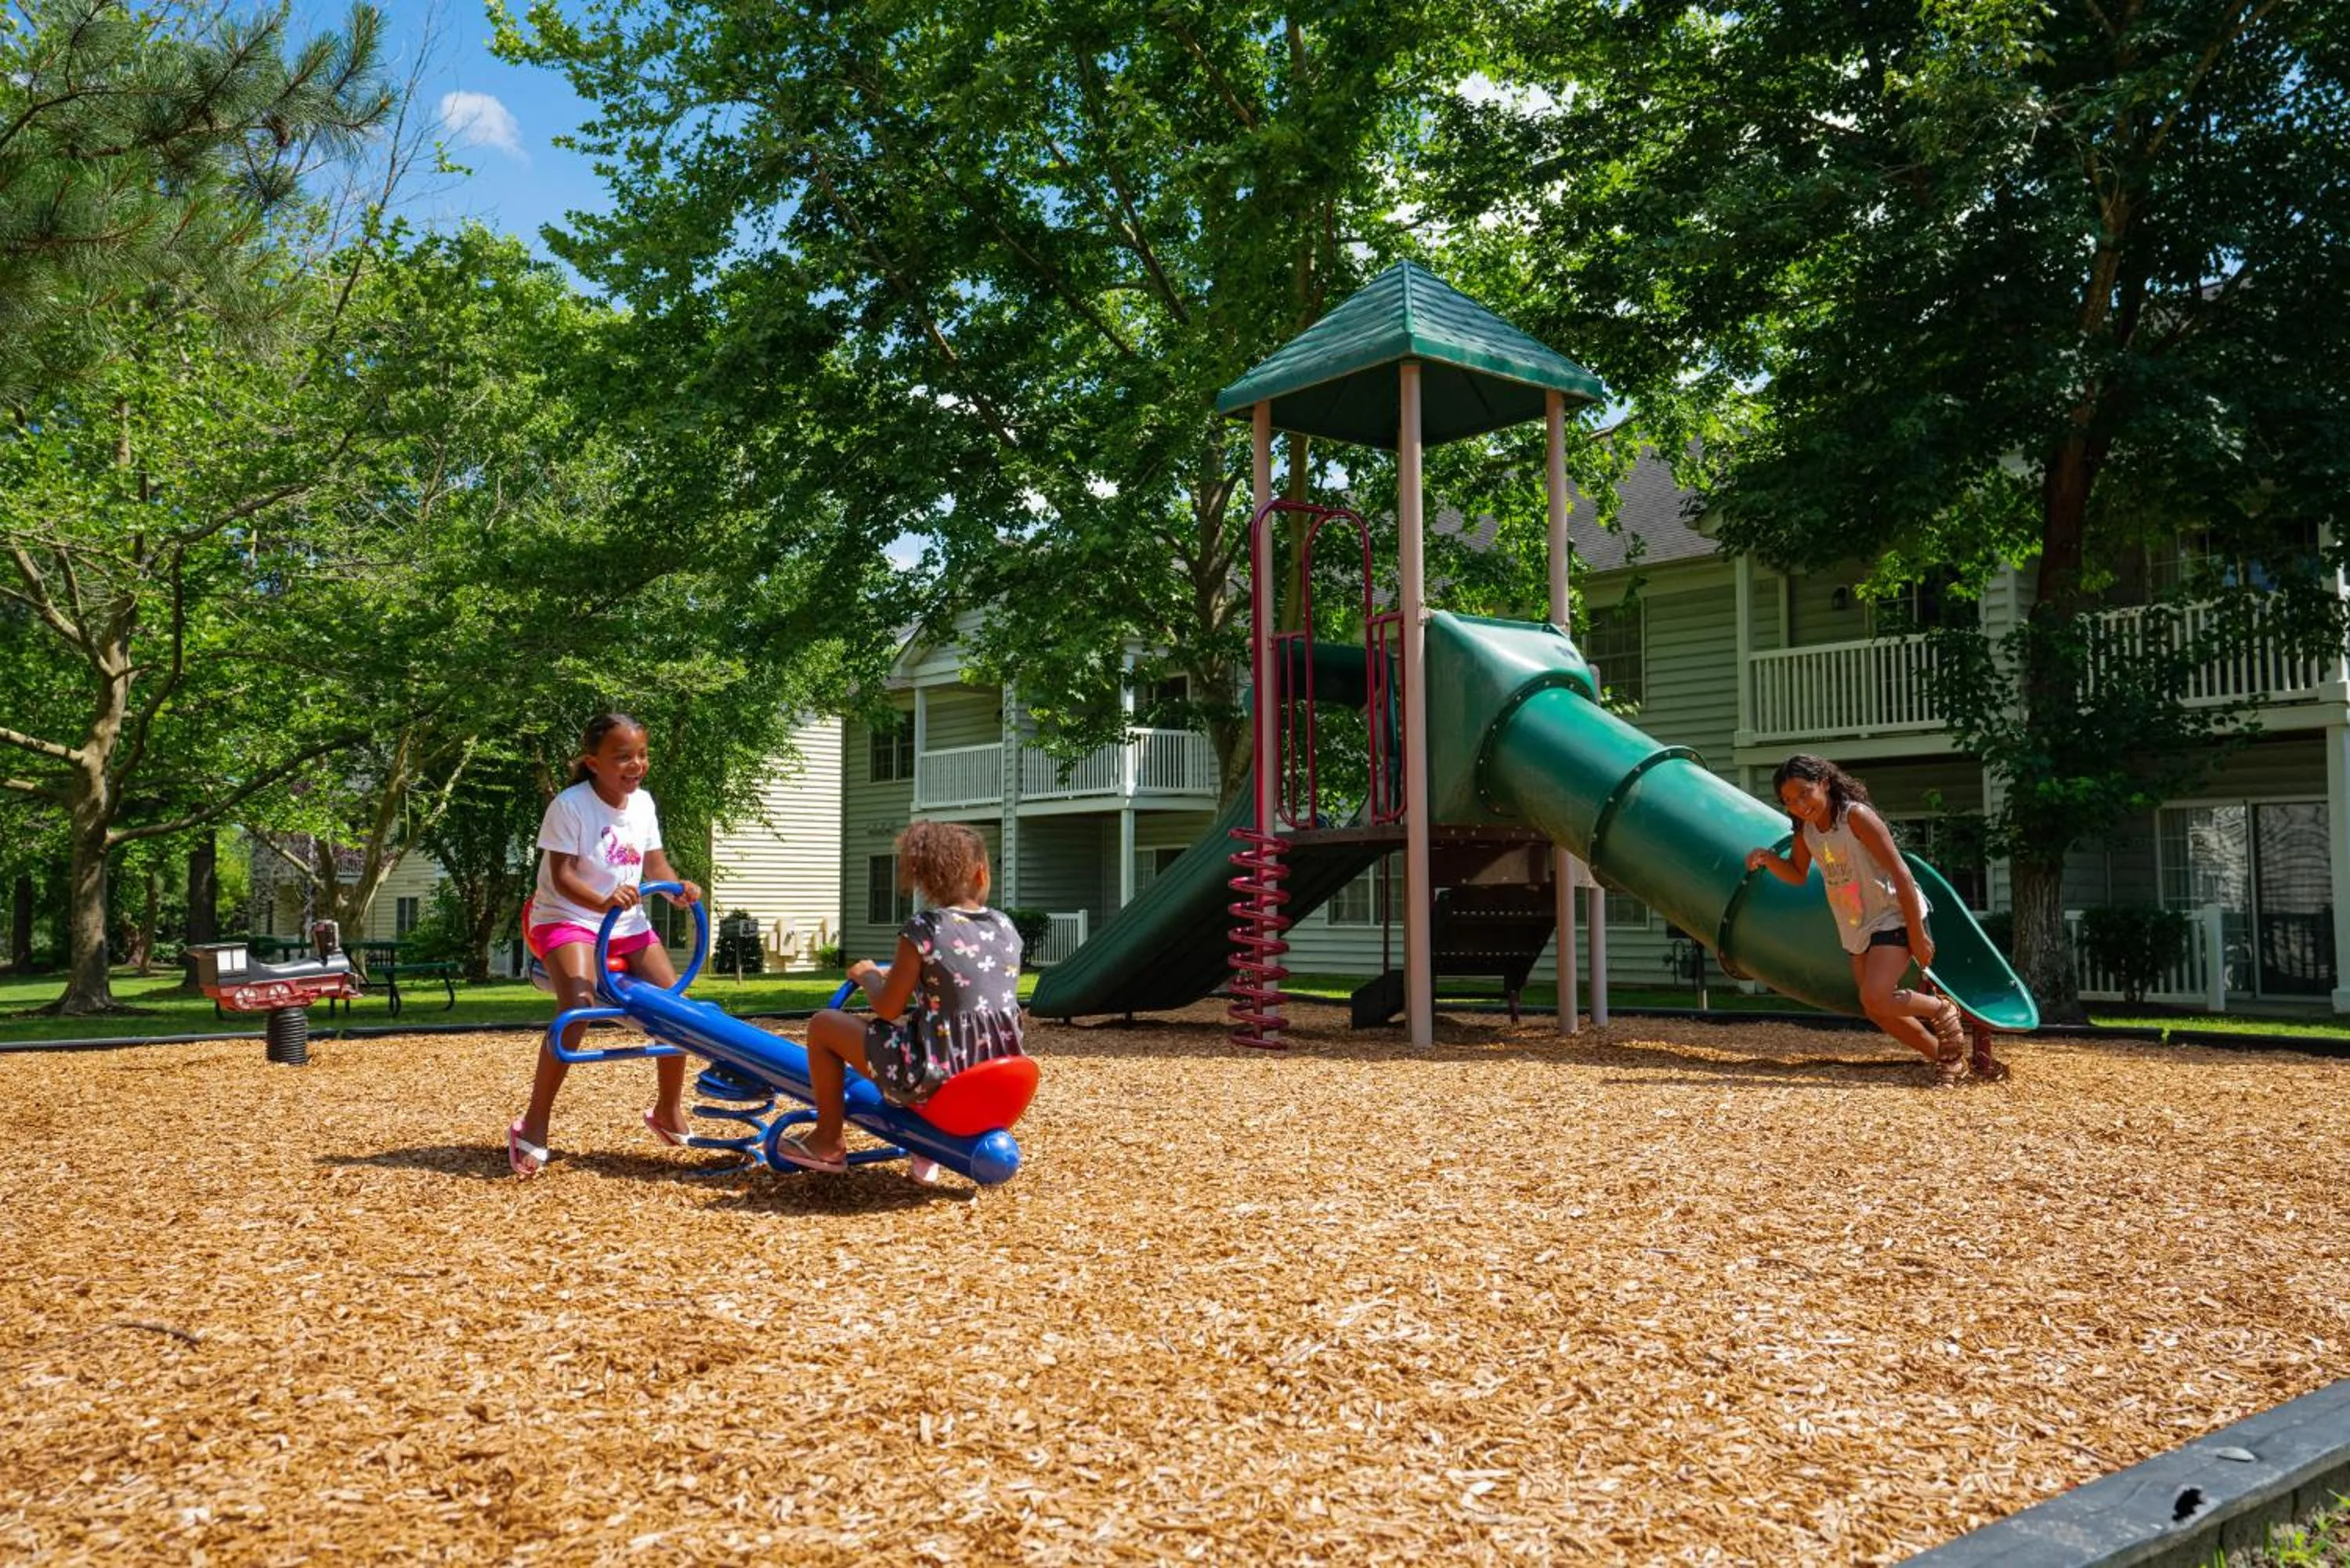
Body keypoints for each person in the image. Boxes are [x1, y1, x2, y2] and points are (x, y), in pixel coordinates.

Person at [508, 713, 703, 1177]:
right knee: (577, 1007)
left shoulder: (643, 804)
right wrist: (603, 900)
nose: (636, 765)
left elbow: (655, 864)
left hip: (626, 921)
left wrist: (678, 889)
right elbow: (562, 876)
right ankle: (533, 1123)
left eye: (642, 755)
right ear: (593, 763)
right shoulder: (571, 806)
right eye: (623, 757)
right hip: (568, 916)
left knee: (678, 1005)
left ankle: (668, 1109)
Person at [775, 821, 1025, 1180]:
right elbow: (963, 985)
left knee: (823, 1025)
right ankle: (928, 1151)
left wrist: (869, 977)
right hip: (998, 1081)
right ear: (982, 874)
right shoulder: (1005, 927)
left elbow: (888, 1007)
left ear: (925, 882)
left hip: (937, 1082)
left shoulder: (922, 930)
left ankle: (827, 1140)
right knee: (924, 1033)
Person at [1743, 753, 1993, 1086]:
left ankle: (1940, 1010)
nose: (1799, 804)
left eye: (1805, 793)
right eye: (1789, 800)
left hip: (1893, 913)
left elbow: (1902, 875)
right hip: (1856, 921)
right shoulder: (1807, 831)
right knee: (1876, 1007)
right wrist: (1768, 859)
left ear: (1825, 783)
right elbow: (1797, 873)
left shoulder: (1856, 817)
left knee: (1876, 995)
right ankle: (1946, 1058)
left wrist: (1917, 934)